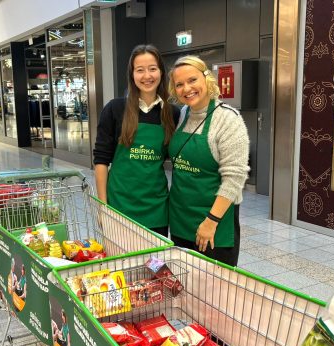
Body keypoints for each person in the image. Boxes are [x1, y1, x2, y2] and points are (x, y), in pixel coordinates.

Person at [168, 56, 250, 267]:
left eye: (192, 80)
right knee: (183, 286)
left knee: (214, 292)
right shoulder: (183, 114)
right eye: (179, 84)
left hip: (214, 224)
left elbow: (234, 178)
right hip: (180, 218)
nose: (187, 88)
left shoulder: (228, 119)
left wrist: (211, 221)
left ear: (207, 79)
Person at [93, 44, 180, 236]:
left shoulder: (172, 113)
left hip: (156, 207)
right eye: (140, 70)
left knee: (154, 265)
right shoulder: (115, 109)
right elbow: (101, 161)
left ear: (161, 72)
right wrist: (102, 207)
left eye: (152, 69)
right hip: (119, 204)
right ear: (132, 74)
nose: (147, 76)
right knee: (120, 264)